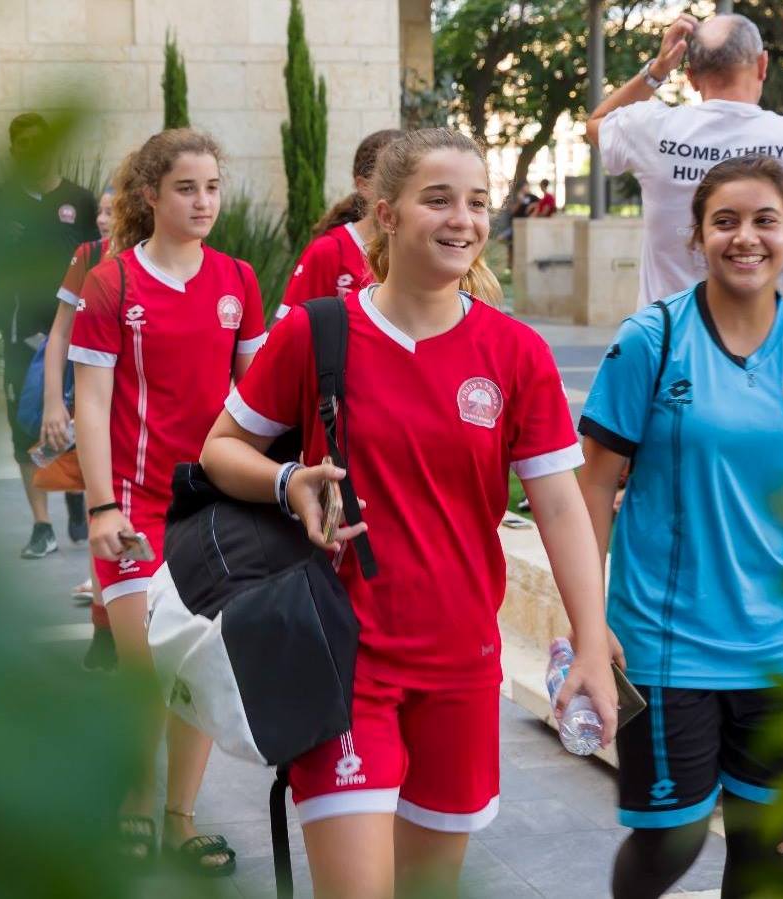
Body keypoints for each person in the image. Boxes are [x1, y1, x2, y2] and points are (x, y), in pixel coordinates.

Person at [200, 128, 619, 899]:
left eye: (477, 201)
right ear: (385, 214)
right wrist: (289, 478)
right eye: (439, 200)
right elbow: (219, 449)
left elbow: (560, 507)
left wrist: (591, 645)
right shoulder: (317, 330)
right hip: (343, 661)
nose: (462, 219)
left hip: (462, 665)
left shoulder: (515, 353)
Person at [576, 156, 783, 898]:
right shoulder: (653, 340)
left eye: (765, 220)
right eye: (725, 221)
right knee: (670, 839)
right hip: (669, 644)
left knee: (768, 849)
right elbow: (595, 481)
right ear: (697, 237)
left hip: (776, 648)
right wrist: (587, 620)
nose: (746, 238)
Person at [69, 129, 266, 874]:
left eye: (212, 187)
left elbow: (257, 399)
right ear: (151, 194)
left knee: (203, 664)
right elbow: (92, 404)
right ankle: (133, 801)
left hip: (212, 510)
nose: (203, 201)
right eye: (187, 188)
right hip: (129, 506)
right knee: (145, 665)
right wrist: (100, 509)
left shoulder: (238, 280)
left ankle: (180, 816)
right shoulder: (112, 284)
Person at [587, 13, 783, 398]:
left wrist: (658, 70)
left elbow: (597, 123)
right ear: (762, 65)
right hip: (768, 361)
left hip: (666, 354)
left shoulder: (653, 129)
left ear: (690, 77)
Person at [0, 112, 99, 558]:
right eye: (20, 144)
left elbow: (99, 261)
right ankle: (42, 526)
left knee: (84, 421)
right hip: (22, 334)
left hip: (78, 335)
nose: (30, 151)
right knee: (24, 425)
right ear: (14, 152)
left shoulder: (80, 201)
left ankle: (80, 496)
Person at [42, 183, 116, 670]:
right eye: (104, 210)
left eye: (116, 208)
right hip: (98, 401)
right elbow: (61, 331)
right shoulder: (90, 256)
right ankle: (104, 627)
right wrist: (54, 400)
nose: (108, 217)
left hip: (150, 411)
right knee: (102, 509)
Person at [279, 129, 402, 317]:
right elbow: (288, 331)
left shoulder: (421, 251)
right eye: (395, 178)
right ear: (364, 186)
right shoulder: (328, 251)